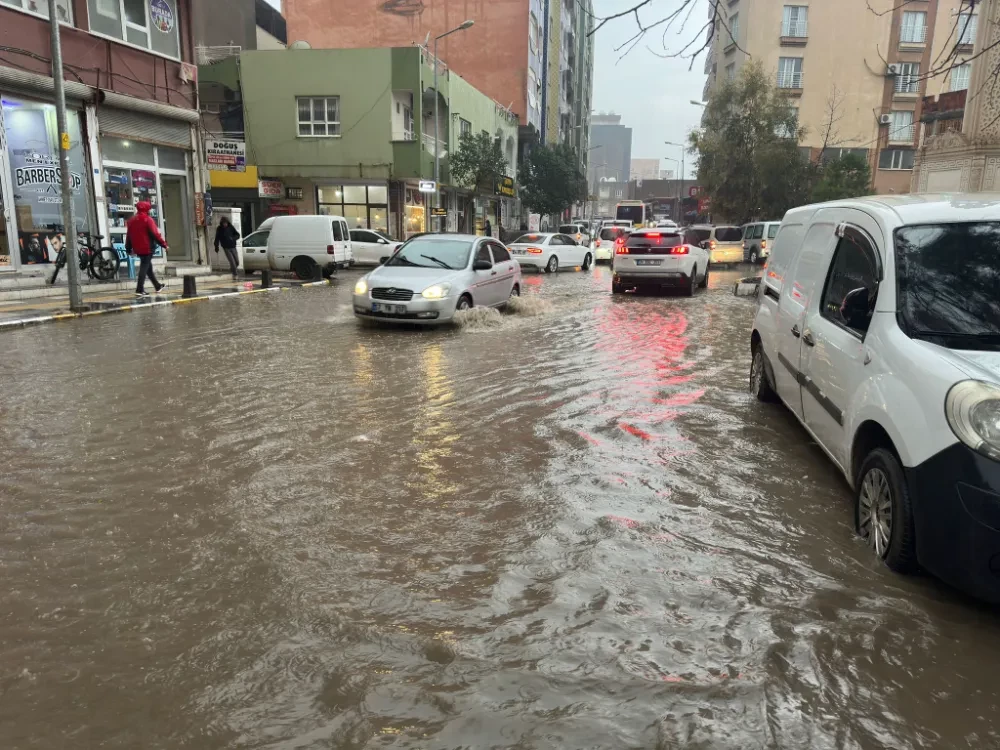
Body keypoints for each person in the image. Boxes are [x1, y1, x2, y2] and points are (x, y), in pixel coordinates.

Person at [126, 200, 168, 297]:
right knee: (144, 267)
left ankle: (157, 286)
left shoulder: (131, 220)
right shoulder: (147, 219)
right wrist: (164, 244)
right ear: (146, 209)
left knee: (148, 267)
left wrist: (128, 248)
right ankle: (139, 289)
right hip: (147, 247)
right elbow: (155, 234)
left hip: (138, 248)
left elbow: (129, 236)